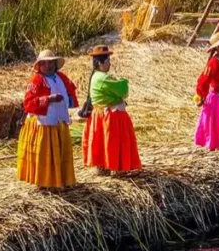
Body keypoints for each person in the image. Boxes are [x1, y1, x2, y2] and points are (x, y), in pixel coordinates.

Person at [16, 50, 78, 189]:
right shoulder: (36, 80)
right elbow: (28, 103)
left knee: (60, 153)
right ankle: (43, 183)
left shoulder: (61, 77)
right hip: (43, 123)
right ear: (39, 66)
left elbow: (71, 91)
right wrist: (49, 99)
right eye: (44, 63)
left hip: (59, 122)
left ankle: (60, 180)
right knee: (45, 155)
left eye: (51, 62)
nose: (48, 66)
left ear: (55, 64)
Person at [82, 45, 142, 174]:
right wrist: (123, 82)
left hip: (100, 114)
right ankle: (116, 167)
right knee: (112, 142)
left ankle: (103, 168)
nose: (110, 64)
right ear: (100, 63)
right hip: (109, 116)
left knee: (103, 142)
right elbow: (123, 90)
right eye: (108, 61)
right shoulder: (103, 78)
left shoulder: (96, 76)